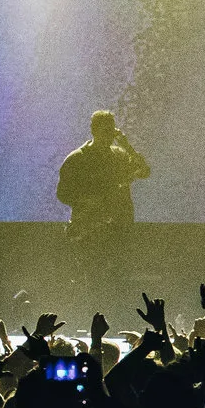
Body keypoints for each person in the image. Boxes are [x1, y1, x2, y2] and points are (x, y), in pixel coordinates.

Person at [56, 109, 149, 299]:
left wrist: (127, 145)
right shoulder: (77, 158)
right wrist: (87, 200)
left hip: (117, 230)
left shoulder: (119, 155)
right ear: (94, 130)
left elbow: (144, 171)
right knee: (92, 284)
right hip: (90, 231)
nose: (109, 135)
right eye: (104, 130)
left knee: (118, 284)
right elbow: (62, 193)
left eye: (111, 130)